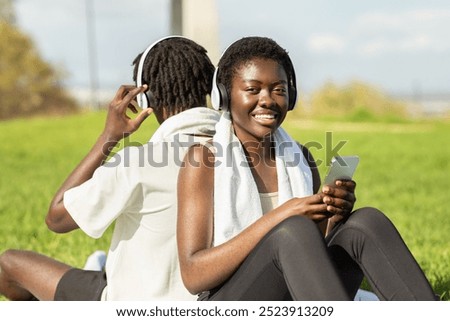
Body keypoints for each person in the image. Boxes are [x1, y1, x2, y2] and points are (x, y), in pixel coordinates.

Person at [176, 36, 437, 301]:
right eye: (253, 90)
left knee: (364, 222)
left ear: (291, 96)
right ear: (224, 95)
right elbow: (194, 275)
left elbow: (312, 247)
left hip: (296, 290)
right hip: (230, 302)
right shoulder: (203, 160)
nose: (267, 100)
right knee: (291, 231)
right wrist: (279, 219)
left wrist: (333, 215)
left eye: (278, 89)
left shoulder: (300, 156)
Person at [0, 36, 220, 300]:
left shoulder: (140, 161)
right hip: (212, 305)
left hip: (129, 306)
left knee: (9, 264)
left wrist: (109, 136)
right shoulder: (249, 154)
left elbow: (57, 218)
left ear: (145, 98)